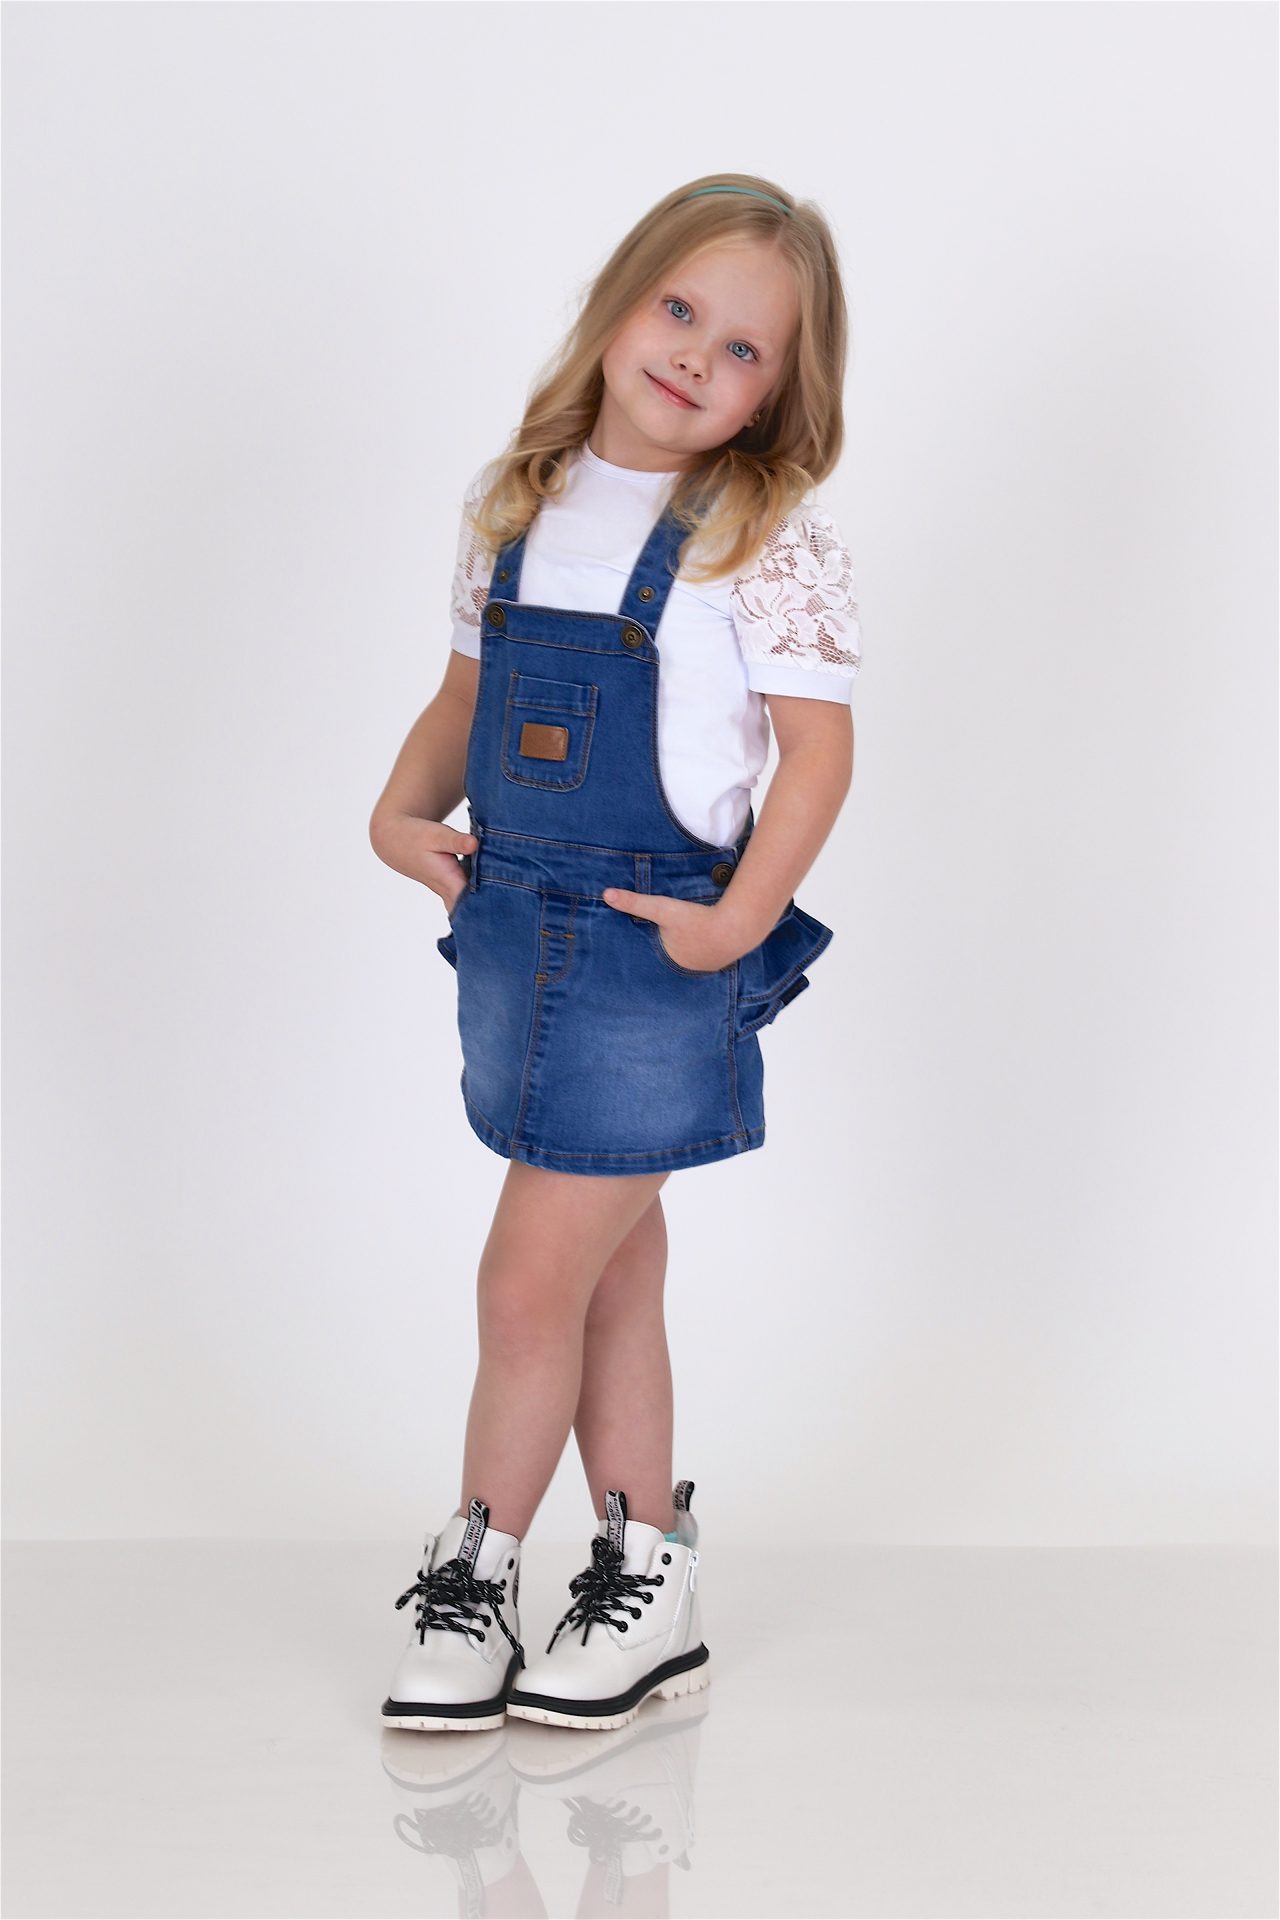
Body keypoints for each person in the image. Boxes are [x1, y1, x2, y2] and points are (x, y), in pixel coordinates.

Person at [369, 174, 862, 1733]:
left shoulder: (761, 538)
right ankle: (649, 1578)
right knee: (610, 1280)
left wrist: (737, 921)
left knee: (525, 1280)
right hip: (514, 932)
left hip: (657, 955)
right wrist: (397, 811)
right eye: (680, 310)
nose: (699, 355)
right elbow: (463, 701)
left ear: (779, 393)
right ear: (619, 301)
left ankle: (477, 1571)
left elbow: (819, 755)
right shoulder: (514, 499)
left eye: (746, 349)